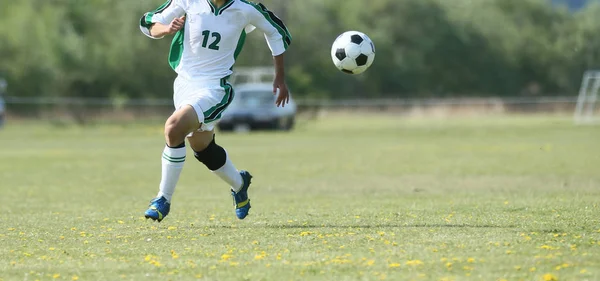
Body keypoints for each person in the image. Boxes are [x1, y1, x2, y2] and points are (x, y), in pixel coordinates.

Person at [139, 0, 292, 221]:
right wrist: (167, 28)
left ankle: (163, 198)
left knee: (173, 128)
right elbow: (149, 23)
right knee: (202, 147)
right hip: (184, 85)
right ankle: (240, 184)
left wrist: (279, 76)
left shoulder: (245, 9)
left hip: (215, 88)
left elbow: (277, 32)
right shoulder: (189, 2)